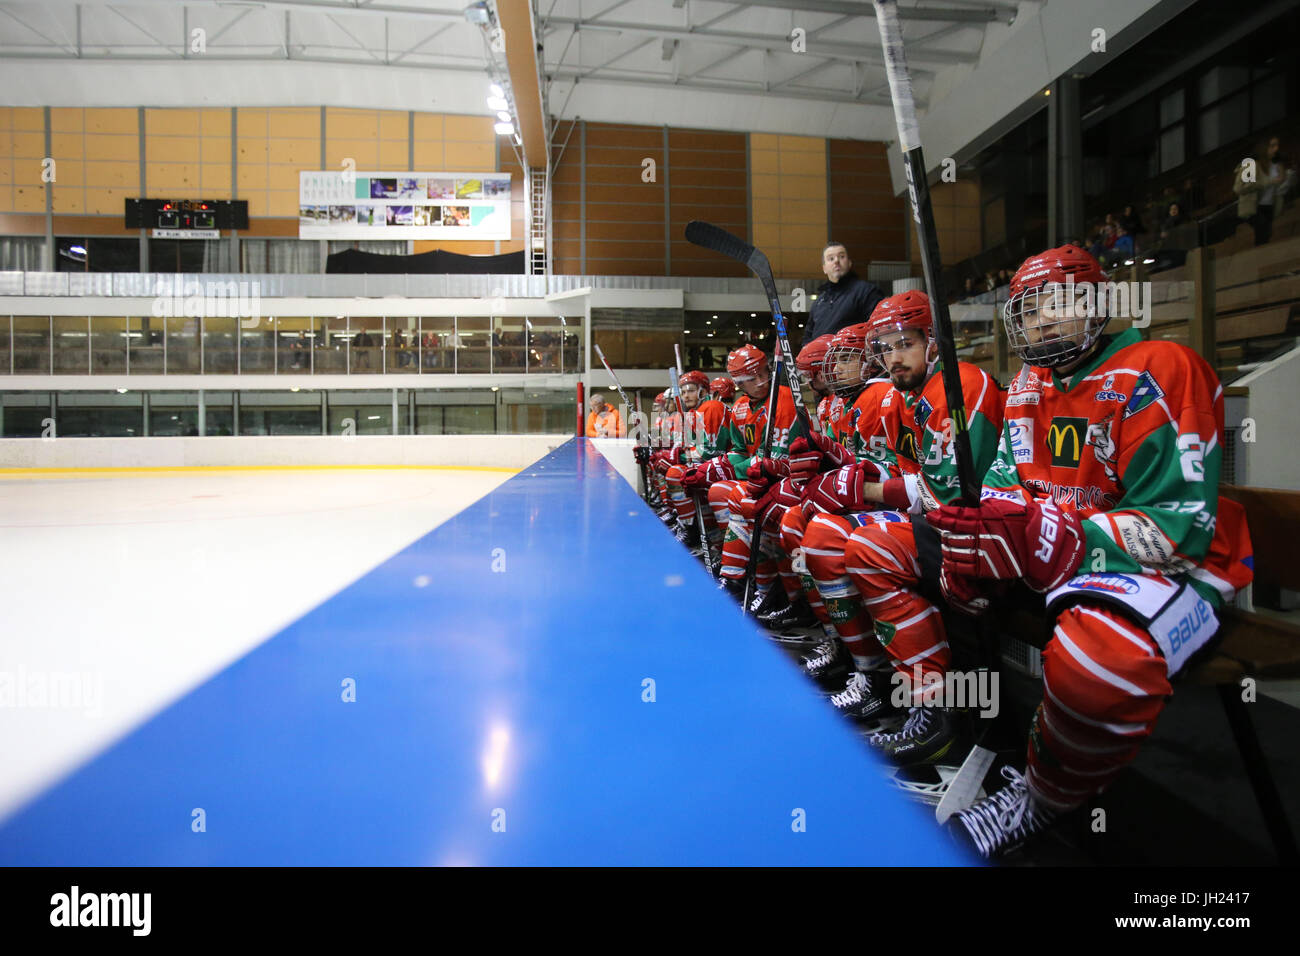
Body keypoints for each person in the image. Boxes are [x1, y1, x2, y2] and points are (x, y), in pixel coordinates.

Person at [927, 244, 1254, 859]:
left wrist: (1056, 536)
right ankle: (973, 731)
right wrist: (979, 544)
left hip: (1173, 565)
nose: (1041, 321)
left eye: (1058, 303)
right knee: (939, 565)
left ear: (1098, 304)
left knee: (1097, 669)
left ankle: (1042, 797)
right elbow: (1003, 487)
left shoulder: (1160, 367)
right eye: (1027, 312)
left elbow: (1176, 528)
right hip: (1067, 554)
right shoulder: (1028, 383)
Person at [797, 290, 1004, 744]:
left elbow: (947, 496)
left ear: (933, 341)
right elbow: (902, 469)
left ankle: (932, 705)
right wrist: (839, 465)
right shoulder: (905, 394)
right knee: (821, 535)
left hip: (983, 529)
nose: (893, 357)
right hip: (943, 522)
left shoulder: (960, 386)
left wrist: (863, 488)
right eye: (885, 347)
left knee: (867, 547)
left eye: (904, 343)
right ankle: (872, 673)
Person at [681, 344, 807, 606]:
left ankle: (758, 581)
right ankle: (742, 569)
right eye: (751, 378)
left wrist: (716, 466)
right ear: (738, 382)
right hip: (756, 478)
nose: (761, 381)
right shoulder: (739, 408)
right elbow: (739, 450)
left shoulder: (786, 401)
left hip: (787, 481)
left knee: (739, 497)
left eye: (763, 372)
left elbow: (779, 459)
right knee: (719, 491)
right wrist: (708, 469)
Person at [654, 370, 732, 550]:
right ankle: (691, 525)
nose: (685, 395)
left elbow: (711, 451)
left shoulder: (711, 407)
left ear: (703, 391)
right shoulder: (693, 413)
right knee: (673, 469)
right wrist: (670, 454)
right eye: (683, 392)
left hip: (723, 466)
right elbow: (687, 446)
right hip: (710, 466)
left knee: (676, 473)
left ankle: (692, 531)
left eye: (690, 390)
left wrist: (677, 457)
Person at [804, 242, 886, 341]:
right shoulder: (819, 302)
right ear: (824, 268)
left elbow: (879, 330)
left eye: (841, 256)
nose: (836, 261)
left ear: (849, 263)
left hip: (853, 354)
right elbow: (808, 337)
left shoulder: (867, 292)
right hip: (820, 355)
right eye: (831, 258)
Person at [1234, 136, 1296, 246]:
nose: (1275, 149)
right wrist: (1268, 181)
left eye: (1277, 145)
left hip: (1269, 205)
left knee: (1266, 234)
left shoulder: (1276, 166)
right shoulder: (1251, 165)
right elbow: (1239, 188)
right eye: (1272, 146)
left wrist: (1286, 178)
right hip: (1254, 206)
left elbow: (1281, 186)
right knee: (1262, 230)